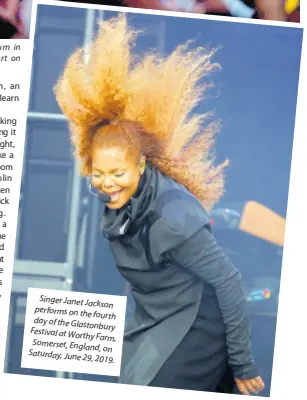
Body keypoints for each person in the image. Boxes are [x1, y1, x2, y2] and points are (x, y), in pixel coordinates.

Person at [54, 14, 265, 395]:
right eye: (98, 173)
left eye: (116, 173)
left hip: (196, 332)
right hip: (155, 326)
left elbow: (229, 283)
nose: (106, 183)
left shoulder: (172, 215)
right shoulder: (117, 204)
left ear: (139, 164)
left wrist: (242, 364)